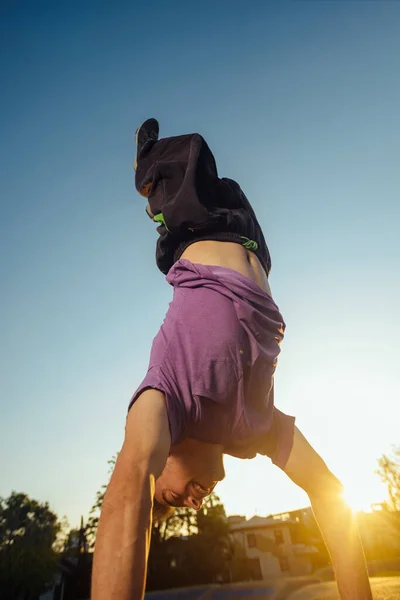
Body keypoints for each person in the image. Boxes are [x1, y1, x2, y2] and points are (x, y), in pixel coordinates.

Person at [91, 120, 373, 600]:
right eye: (183, 510)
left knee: (188, 160)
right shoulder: (256, 432)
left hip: (192, 233)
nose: (189, 504)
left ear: (166, 454)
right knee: (228, 188)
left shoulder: (165, 401)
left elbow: (128, 490)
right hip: (252, 244)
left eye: (169, 496)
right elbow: (328, 491)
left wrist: (144, 486)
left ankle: (147, 176)